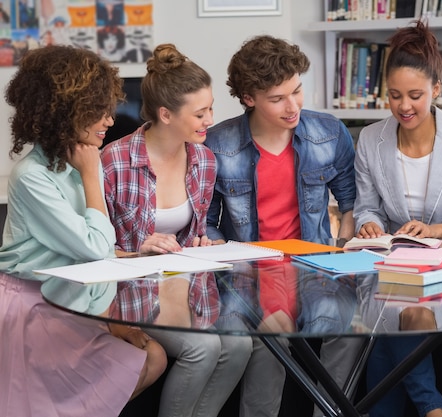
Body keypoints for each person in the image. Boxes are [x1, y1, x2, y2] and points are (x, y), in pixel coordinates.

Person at [0, 45, 166, 417]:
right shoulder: (34, 176)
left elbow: (98, 249)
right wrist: (92, 175)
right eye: (98, 111)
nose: (110, 120)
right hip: (32, 311)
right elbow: (94, 246)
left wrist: (137, 255)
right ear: (65, 112)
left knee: (153, 357)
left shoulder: (73, 162)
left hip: (65, 304)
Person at [204, 34, 359, 417]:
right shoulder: (217, 144)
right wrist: (230, 258)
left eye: (297, 91)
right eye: (278, 99)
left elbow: (352, 205)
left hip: (316, 268)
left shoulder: (328, 132)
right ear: (249, 98)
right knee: (270, 337)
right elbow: (207, 226)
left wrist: (342, 247)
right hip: (249, 271)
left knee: (353, 329)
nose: (293, 107)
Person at [353, 20, 442, 417]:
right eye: (395, 95)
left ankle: (430, 409)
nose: (404, 106)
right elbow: (367, 206)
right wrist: (368, 224)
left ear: (436, 89)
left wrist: (434, 230)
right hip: (391, 265)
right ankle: (431, 410)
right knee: (397, 303)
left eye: (415, 95)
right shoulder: (370, 138)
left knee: (407, 313)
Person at [101, 43, 251, 417]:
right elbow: (94, 246)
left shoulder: (203, 159)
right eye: (200, 113)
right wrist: (139, 249)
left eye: (211, 108)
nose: (210, 120)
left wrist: (202, 241)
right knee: (204, 348)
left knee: (240, 345)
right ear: (165, 114)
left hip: (183, 287)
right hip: (128, 291)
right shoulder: (114, 160)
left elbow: (194, 232)